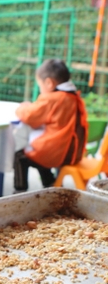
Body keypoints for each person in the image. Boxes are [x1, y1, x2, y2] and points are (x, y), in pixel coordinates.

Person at [13, 59, 88, 192]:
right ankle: (50, 183)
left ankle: (19, 191)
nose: (40, 90)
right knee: (42, 150)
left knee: (20, 155)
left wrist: (21, 107)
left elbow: (29, 116)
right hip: (72, 154)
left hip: (57, 153)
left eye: (40, 86)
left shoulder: (53, 98)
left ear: (49, 83)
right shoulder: (74, 97)